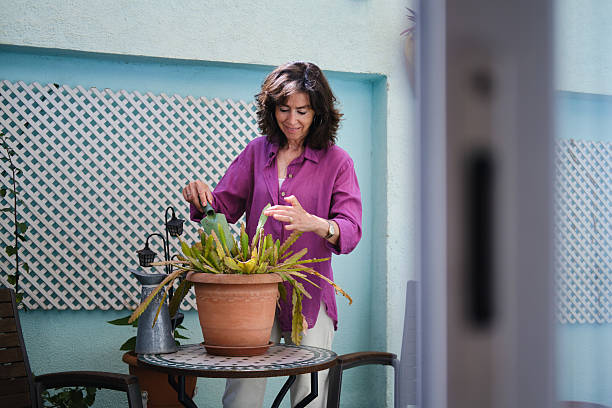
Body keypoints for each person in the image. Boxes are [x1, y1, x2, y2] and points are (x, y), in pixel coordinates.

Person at [182, 61, 362, 408]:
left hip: (309, 297)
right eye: (283, 109)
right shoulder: (256, 152)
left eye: (302, 111)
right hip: (252, 297)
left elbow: (351, 229)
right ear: (271, 109)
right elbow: (223, 207)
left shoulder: (338, 162)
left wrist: (315, 223)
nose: (292, 120)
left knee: (308, 398)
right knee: (242, 394)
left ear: (318, 113)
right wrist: (201, 195)